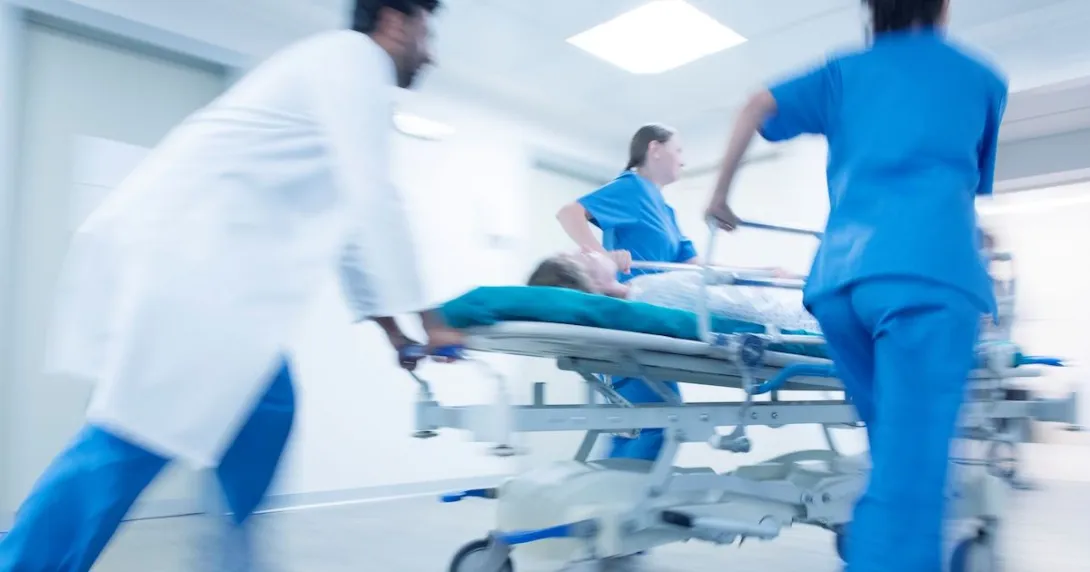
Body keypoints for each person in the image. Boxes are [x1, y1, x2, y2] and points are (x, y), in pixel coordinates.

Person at [0, 1, 459, 570]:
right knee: (127, 444)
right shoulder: (353, 60)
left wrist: (394, 331)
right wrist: (434, 320)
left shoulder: (338, 73)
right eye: (426, 31)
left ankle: (234, 558)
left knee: (267, 407)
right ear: (395, 19)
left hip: (210, 286)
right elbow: (374, 196)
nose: (431, 51)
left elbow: (349, 222)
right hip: (189, 273)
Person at [702, 0, 1006, 571]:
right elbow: (962, 188)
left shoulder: (845, 71)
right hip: (927, 280)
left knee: (894, 452)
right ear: (941, 6)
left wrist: (719, 196)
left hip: (840, 287)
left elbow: (755, 104)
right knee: (910, 472)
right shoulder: (982, 78)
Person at [555, 124, 696, 462]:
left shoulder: (667, 211)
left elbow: (697, 269)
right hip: (631, 323)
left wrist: (763, 274)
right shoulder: (631, 188)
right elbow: (569, 213)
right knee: (656, 421)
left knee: (651, 421)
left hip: (659, 325)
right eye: (679, 151)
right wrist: (600, 255)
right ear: (655, 148)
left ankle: (615, 506)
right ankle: (622, 507)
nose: (683, 160)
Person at [527, 251, 821, 333]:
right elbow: (746, 309)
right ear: (593, 284)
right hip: (804, 318)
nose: (587, 251)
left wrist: (764, 273)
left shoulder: (643, 290)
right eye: (581, 258)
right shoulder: (655, 294)